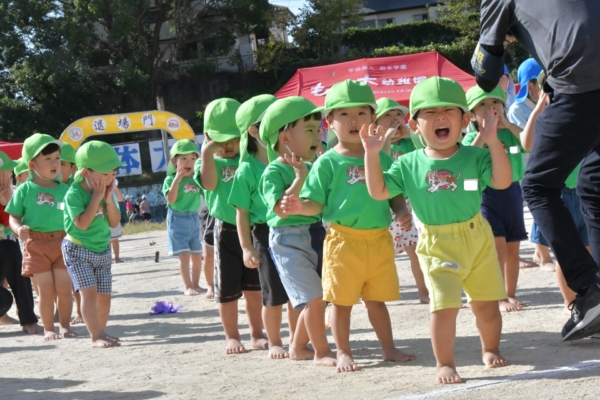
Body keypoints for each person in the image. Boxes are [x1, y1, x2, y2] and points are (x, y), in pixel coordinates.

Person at [362, 77, 511, 383]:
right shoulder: (407, 163)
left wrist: (493, 140)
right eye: (429, 112)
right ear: (414, 126)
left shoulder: (476, 154)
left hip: (478, 238)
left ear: (465, 120)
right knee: (444, 308)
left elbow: (502, 181)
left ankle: (490, 347)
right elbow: (378, 192)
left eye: (449, 111)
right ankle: (445, 363)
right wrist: (371, 154)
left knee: (486, 305)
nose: (440, 117)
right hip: (437, 243)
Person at [476, 0, 600, 341]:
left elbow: (485, 77)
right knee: (592, 183)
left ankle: (589, 290)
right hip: (580, 77)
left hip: (583, 81)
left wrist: (498, 33)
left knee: (538, 186)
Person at [282, 81, 417, 372]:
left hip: (379, 240)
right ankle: (343, 351)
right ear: (329, 122)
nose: (354, 120)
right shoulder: (327, 162)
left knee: (376, 301)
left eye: (362, 113)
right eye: (343, 114)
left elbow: (392, 192)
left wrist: (402, 210)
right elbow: (315, 202)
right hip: (343, 242)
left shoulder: (380, 155)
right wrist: (299, 206)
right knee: (342, 304)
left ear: (372, 118)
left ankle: (388, 348)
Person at [259, 96, 336, 367]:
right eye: (310, 130)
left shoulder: (315, 166)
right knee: (314, 298)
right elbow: (281, 209)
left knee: (319, 298)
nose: (318, 136)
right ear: (285, 138)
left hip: (315, 233)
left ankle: (298, 347)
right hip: (287, 241)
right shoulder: (272, 172)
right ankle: (322, 352)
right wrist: (299, 179)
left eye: (319, 130)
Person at [230, 94, 302, 359]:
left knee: (297, 291)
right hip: (264, 233)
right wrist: (246, 248)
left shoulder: (290, 159)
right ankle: (274, 341)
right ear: (254, 131)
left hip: (295, 229)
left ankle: (297, 338)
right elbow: (242, 212)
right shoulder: (246, 169)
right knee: (272, 294)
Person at [196, 98, 266, 354]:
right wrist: (206, 153)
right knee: (227, 291)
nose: (227, 146)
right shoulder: (208, 161)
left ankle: (257, 334)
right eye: (220, 140)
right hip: (225, 230)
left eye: (233, 139)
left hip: (252, 228)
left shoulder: (249, 159)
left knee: (254, 288)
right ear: (207, 137)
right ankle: (232, 336)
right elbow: (210, 185)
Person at [520, 84, 590, 316]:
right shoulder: (550, 118)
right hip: (559, 195)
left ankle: (587, 301)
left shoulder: (582, 111)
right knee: (566, 253)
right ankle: (570, 303)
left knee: (586, 251)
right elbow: (527, 144)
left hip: (584, 193)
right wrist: (539, 108)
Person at [462, 86, 528, 312]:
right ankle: (498, 295)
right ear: (471, 115)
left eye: (496, 103)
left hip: (513, 192)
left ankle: (510, 293)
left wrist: (507, 124)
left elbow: (529, 143)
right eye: (482, 105)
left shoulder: (510, 132)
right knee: (497, 248)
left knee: (513, 249)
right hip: (487, 195)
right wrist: (485, 132)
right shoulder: (473, 136)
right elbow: (468, 156)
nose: (490, 108)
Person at [5, 134, 75, 341]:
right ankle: (49, 329)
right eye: (48, 159)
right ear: (32, 164)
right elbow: (13, 217)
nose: (55, 163)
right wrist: (18, 230)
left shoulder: (65, 189)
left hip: (63, 242)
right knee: (45, 291)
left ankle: (64, 325)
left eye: (57, 158)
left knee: (64, 288)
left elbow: (73, 216)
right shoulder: (25, 189)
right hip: (35, 244)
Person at [61, 140, 123, 348]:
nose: (109, 179)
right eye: (104, 174)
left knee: (104, 296)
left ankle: (102, 332)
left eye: (113, 174)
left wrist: (107, 199)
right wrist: (97, 196)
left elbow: (114, 222)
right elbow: (83, 224)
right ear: (86, 172)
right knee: (89, 292)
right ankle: (95, 335)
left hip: (102, 249)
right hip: (77, 249)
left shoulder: (106, 192)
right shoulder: (74, 194)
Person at [374, 97, 429, 304]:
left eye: (398, 114)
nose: (394, 119)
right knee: (381, 255)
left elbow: (424, 157)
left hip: (407, 204)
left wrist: (413, 135)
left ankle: (424, 292)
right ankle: (373, 293)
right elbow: (382, 163)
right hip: (382, 205)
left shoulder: (409, 142)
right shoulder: (372, 146)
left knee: (415, 250)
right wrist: (386, 139)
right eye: (387, 116)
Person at [0, 151, 43, 334]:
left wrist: (6, 201)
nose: (10, 177)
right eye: (8, 172)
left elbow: (8, 222)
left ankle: (28, 319)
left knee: (11, 250)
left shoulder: (8, 193)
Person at [163, 139, 204, 296]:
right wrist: (177, 179)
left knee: (197, 254)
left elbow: (205, 192)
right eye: (184, 159)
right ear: (174, 161)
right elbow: (171, 200)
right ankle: (188, 286)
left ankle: (196, 284)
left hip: (194, 217)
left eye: (193, 158)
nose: (189, 162)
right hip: (177, 219)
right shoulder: (170, 180)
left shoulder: (195, 178)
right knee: (185, 254)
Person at [110, 184, 124, 264]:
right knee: (106, 240)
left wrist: (115, 186)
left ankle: (117, 257)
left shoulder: (113, 188)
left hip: (114, 215)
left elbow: (121, 199)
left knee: (115, 239)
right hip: (103, 215)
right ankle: (108, 258)